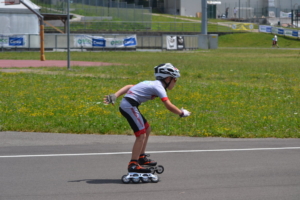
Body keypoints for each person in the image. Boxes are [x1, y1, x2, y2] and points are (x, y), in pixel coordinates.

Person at [104, 63, 191, 173]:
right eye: (175, 80)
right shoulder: (159, 87)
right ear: (168, 78)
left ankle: (141, 157)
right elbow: (168, 105)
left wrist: (115, 95)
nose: (175, 82)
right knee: (141, 134)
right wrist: (181, 113)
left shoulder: (153, 83)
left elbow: (130, 86)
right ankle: (133, 164)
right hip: (129, 106)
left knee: (147, 129)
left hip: (129, 105)